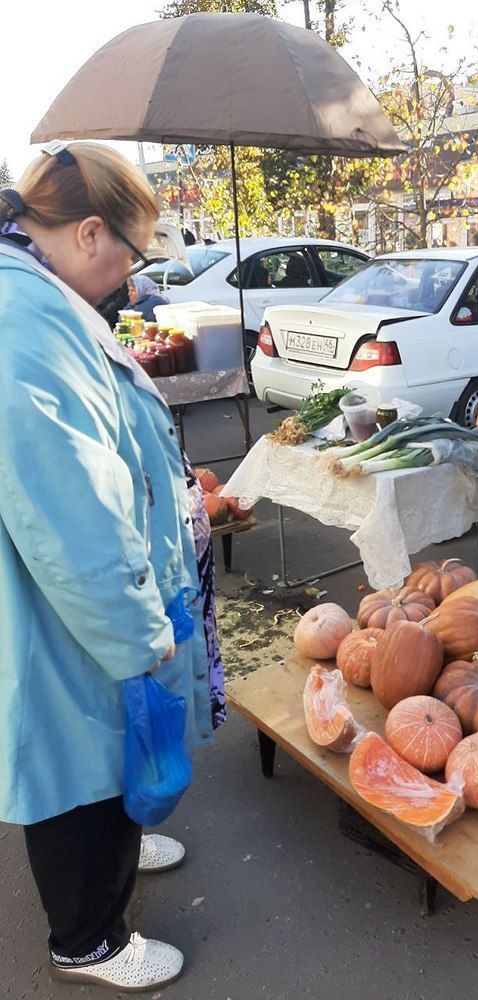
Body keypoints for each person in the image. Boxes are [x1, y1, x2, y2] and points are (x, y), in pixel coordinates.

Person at [0, 142, 214, 991]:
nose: (132, 274)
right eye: (132, 252)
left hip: (73, 596)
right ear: (90, 233)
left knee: (103, 746)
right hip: (65, 602)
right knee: (75, 758)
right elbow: (73, 517)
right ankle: (87, 940)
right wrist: (136, 634)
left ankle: (120, 844)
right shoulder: (22, 321)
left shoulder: (39, 296)